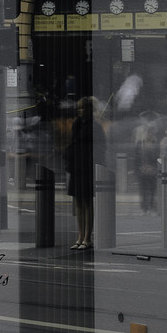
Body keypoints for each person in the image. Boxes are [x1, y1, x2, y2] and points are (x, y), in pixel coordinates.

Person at [66, 96, 97, 250]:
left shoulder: (93, 126)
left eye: (82, 108)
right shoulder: (77, 124)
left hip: (86, 167)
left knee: (87, 202)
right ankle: (80, 236)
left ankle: (87, 237)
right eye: (78, 108)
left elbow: (99, 148)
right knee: (78, 202)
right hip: (77, 166)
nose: (79, 110)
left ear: (89, 109)